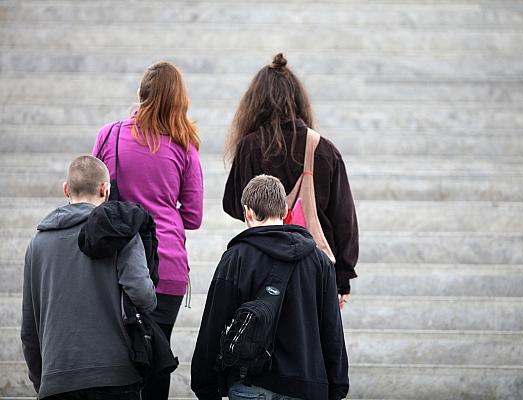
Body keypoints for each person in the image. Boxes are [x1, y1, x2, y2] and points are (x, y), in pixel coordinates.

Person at [92, 61, 204, 399]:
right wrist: (161, 212)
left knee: (118, 357)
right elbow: (195, 216)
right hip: (165, 267)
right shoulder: (185, 147)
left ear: (141, 94)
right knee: (157, 355)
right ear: (178, 101)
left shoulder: (109, 135)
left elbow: (94, 198)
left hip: (113, 262)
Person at [191, 175, 349, 400]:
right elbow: (331, 328)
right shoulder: (319, 261)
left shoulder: (236, 258)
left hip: (251, 383)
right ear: (285, 211)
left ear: (248, 212)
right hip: (307, 384)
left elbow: (213, 323)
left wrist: (204, 385)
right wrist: (337, 385)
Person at [222, 53, 358, 308]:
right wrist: (343, 277)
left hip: (261, 264)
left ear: (255, 104)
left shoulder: (250, 147)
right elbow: (344, 218)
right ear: (298, 101)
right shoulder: (324, 150)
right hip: (315, 268)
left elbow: (231, 203)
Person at [21, 155, 157, 399]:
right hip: (116, 376)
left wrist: (42, 381)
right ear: (105, 189)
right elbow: (144, 297)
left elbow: (29, 328)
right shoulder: (122, 233)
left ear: (66, 189)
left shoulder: (37, 244)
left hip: (57, 378)